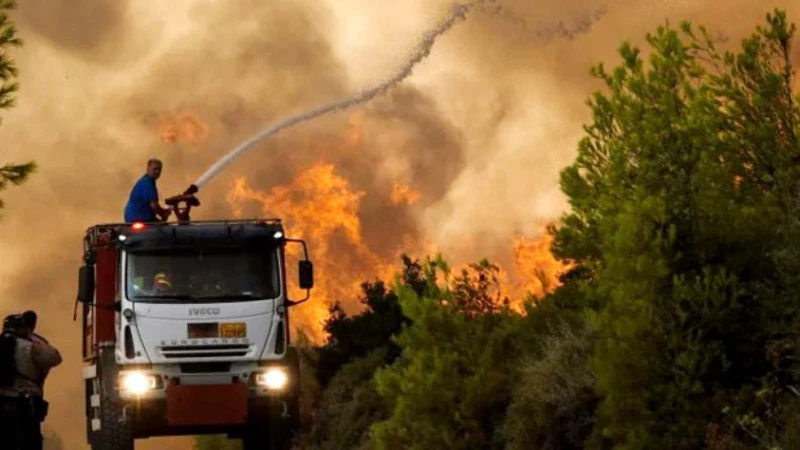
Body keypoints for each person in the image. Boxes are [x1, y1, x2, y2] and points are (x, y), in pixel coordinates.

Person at [0, 312, 62, 450]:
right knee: (30, 442)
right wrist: (32, 336)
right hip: (24, 405)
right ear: (23, 328)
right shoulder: (30, 347)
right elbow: (55, 358)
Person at [123, 158, 172, 223]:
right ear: (148, 169)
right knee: (167, 230)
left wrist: (163, 211)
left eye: (159, 169)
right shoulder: (147, 183)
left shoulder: (145, 181)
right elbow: (154, 206)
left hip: (134, 219)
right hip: (140, 220)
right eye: (154, 169)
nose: (157, 171)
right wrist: (164, 214)